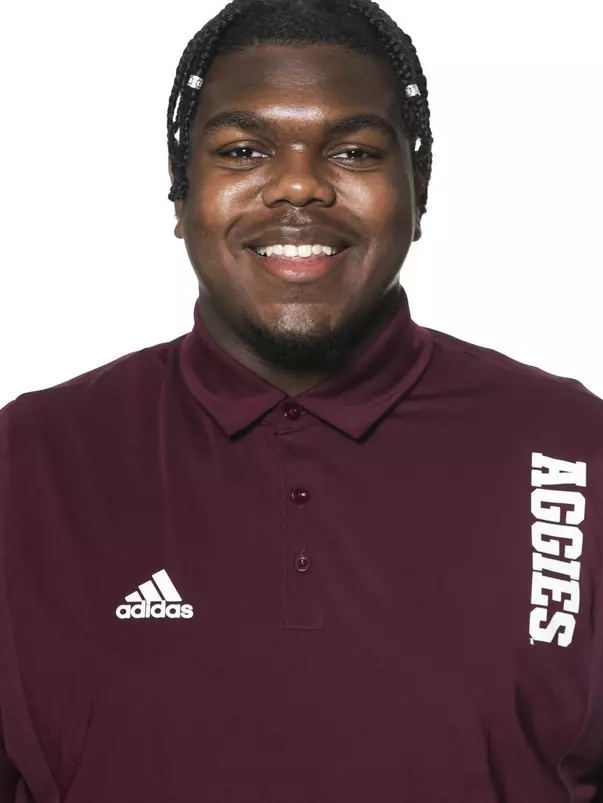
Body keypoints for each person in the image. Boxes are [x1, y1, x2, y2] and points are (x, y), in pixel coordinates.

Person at [1, 0, 602, 800]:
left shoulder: (571, 448)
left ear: (417, 193)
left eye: (352, 150)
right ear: (181, 196)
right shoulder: (28, 461)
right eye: (243, 148)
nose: (296, 185)